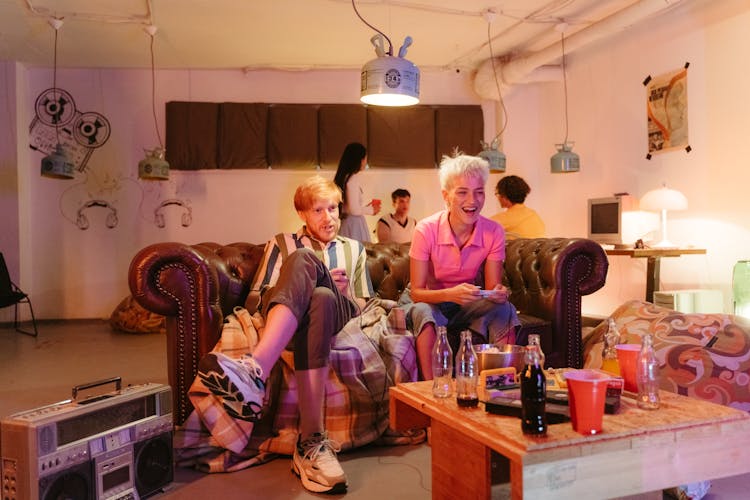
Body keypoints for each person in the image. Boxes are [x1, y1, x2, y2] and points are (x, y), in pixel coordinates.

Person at [197, 175, 373, 494]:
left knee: (326, 289)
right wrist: (298, 285)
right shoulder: (282, 242)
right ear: (303, 214)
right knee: (317, 289)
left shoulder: (355, 249)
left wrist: (347, 292)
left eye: (333, 208)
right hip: (292, 314)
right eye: (318, 210)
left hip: (341, 311)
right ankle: (311, 443)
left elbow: (364, 303)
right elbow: (255, 298)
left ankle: (255, 371)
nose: (328, 217)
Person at [401, 153, 520, 379]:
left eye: (479, 192)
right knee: (425, 312)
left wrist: (498, 293)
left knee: (505, 309)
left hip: (466, 301)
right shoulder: (426, 229)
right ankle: (429, 389)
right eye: (462, 192)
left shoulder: (494, 231)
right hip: (427, 300)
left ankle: (501, 384)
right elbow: (417, 293)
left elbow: (493, 286)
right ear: (446, 196)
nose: (472, 201)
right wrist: (450, 295)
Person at [334, 142, 381, 242]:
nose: (365, 162)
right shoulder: (352, 179)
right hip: (354, 225)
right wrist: (371, 210)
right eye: (365, 158)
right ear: (359, 160)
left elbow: (350, 207)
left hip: (347, 223)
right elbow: (354, 209)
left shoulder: (344, 178)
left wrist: (366, 208)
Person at [490, 175, 545, 240]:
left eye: (498, 194)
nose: (498, 197)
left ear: (505, 196)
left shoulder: (504, 218)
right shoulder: (534, 214)